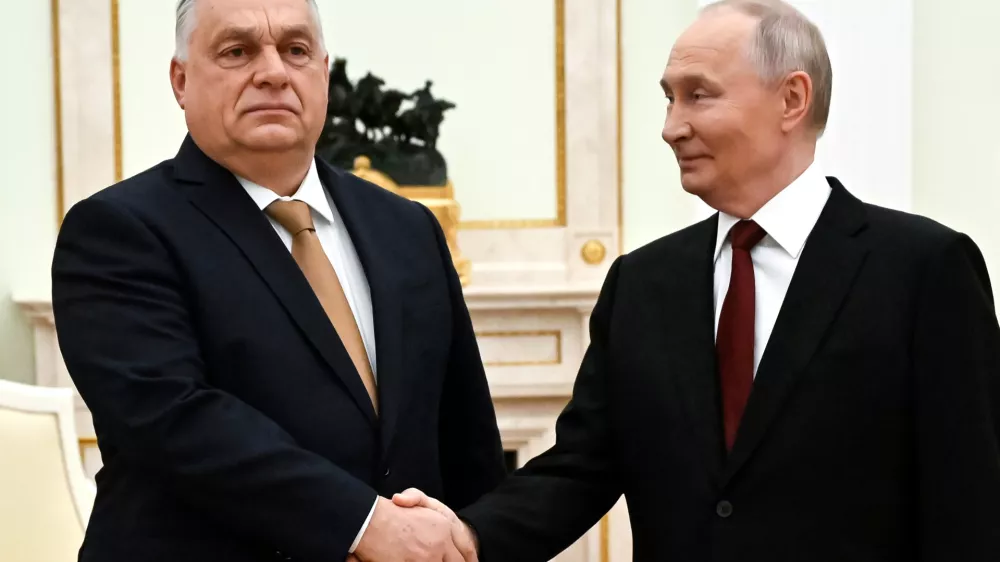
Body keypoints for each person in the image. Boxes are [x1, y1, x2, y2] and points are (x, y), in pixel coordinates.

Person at [393, 1, 1000, 560]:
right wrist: (468, 535)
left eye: (698, 96)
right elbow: (582, 466)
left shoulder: (924, 269)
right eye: (669, 99)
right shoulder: (640, 283)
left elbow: (969, 499)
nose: (671, 127)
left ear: (792, 99)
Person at [51, 0, 504, 560]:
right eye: (237, 51)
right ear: (181, 80)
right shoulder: (117, 231)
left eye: (295, 49)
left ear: (324, 74)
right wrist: (367, 525)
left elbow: (465, 436)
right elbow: (173, 421)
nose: (273, 72)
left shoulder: (407, 227)